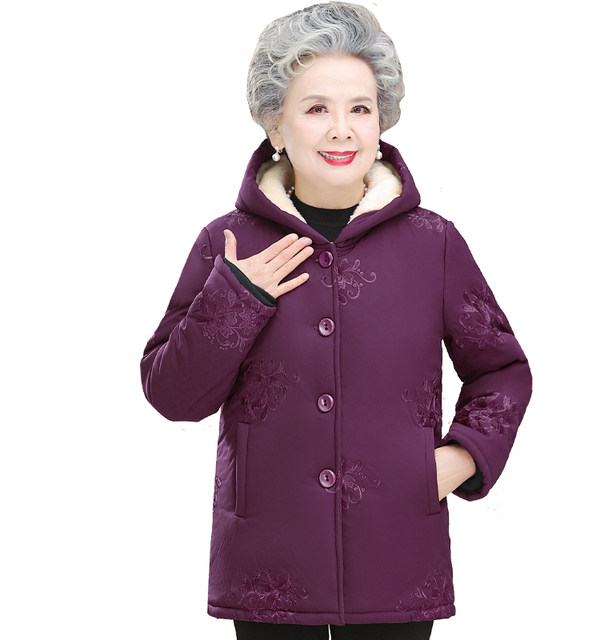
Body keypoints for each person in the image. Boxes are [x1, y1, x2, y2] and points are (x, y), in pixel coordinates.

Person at [139, 2, 533, 639]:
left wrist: (462, 456)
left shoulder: (432, 243)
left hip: (397, 560)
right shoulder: (228, 243)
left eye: (360, 109)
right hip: (267, 570)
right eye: (317, 108)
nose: (342, 130)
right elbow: (172, 396)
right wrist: (238, 295)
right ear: (276, 122)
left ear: (382, 119)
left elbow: (502, 370)